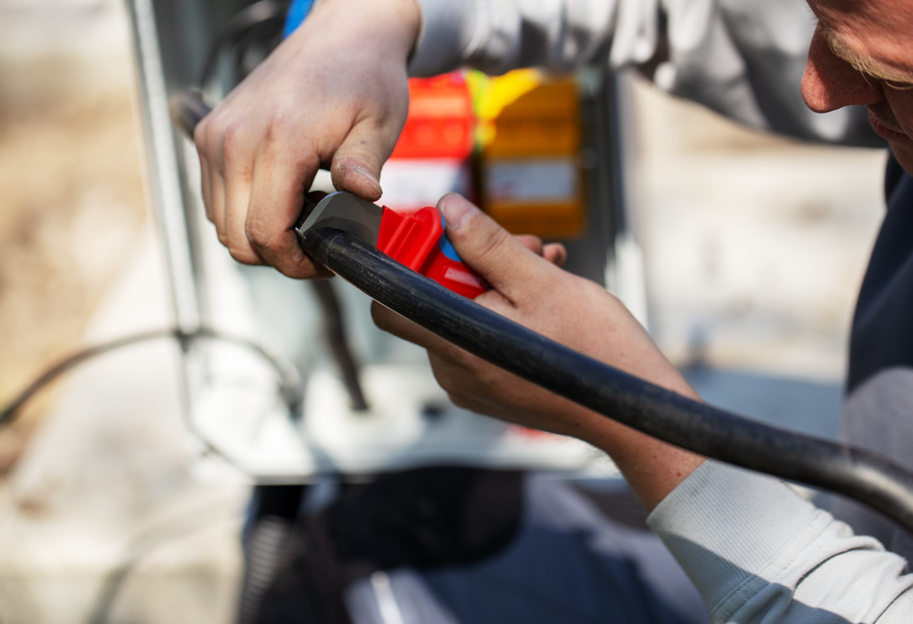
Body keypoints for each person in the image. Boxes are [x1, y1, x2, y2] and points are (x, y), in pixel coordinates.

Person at [194, 0, 913, 620]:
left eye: (887, 72)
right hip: (854, 541)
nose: (818, 88)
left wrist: (636, 422)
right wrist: (373, 21)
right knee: (359, 547)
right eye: (820, 16)